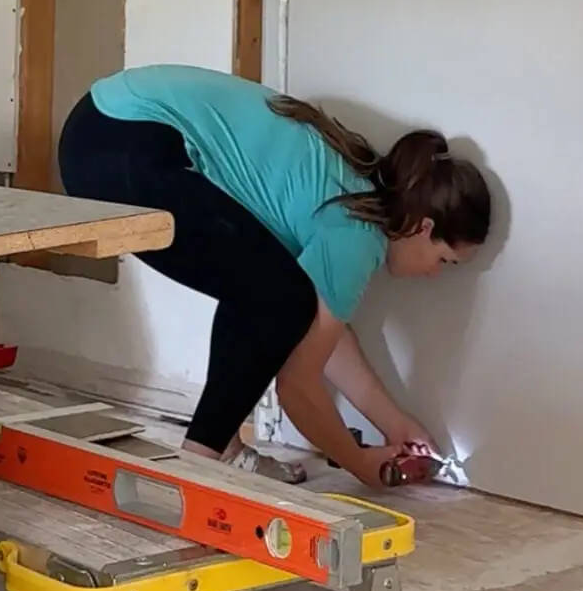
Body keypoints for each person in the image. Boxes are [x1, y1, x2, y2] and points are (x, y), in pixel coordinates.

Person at [56, 65, 491, 489]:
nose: (435, 275)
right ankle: (197, 468)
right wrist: (358, 462)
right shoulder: (356, 235)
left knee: (271, 291)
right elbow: (297, 387)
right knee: (275, 297)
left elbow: (320, 332)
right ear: (425, 227)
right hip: (121, 138)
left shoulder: (354, 193)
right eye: (445, 260)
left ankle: (215, 449)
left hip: (103, 124)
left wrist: (396, 424)